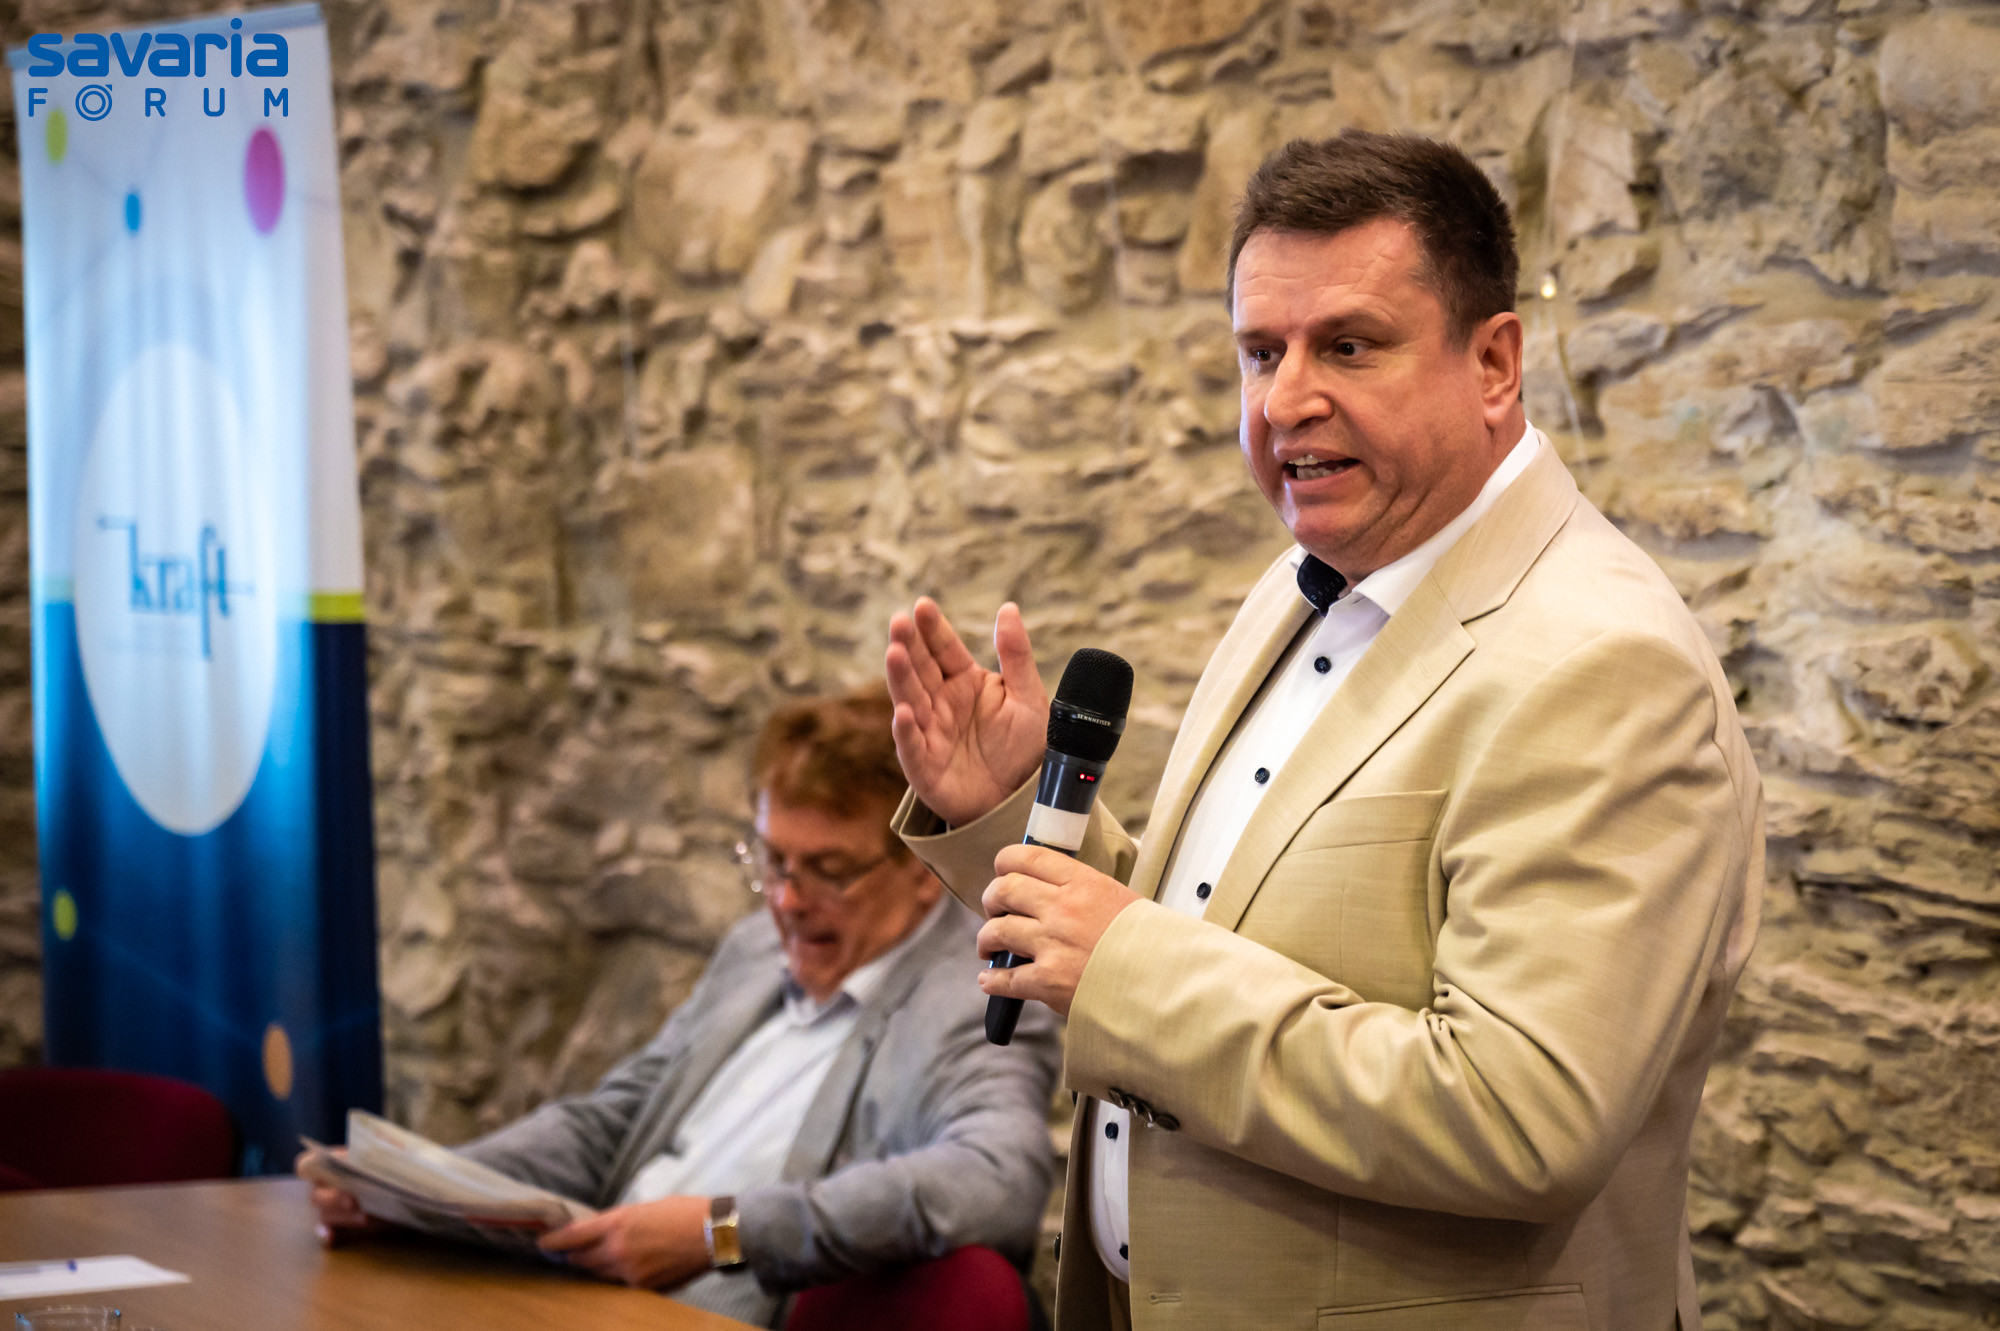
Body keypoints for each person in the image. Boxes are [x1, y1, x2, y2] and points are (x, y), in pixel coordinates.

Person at [885, 131, 1761, 1330]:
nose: (1284, 399)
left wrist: (1121, 965)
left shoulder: (1601, 662)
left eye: (1347, 345)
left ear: (1493, 362)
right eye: (1260, 351)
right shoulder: (1304, 583)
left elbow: (1521, 1115)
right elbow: (1229, 936)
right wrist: (1013, 817)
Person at [305, 687, 1062, 1328]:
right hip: (583, 1297)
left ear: (923, 866)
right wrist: (421, 1191)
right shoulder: (755, 951)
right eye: (773, 861)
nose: (787, 901)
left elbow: (996, 1181)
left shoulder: (976, 998)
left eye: (828, 871)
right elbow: (614, 1121)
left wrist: (721, 1231)